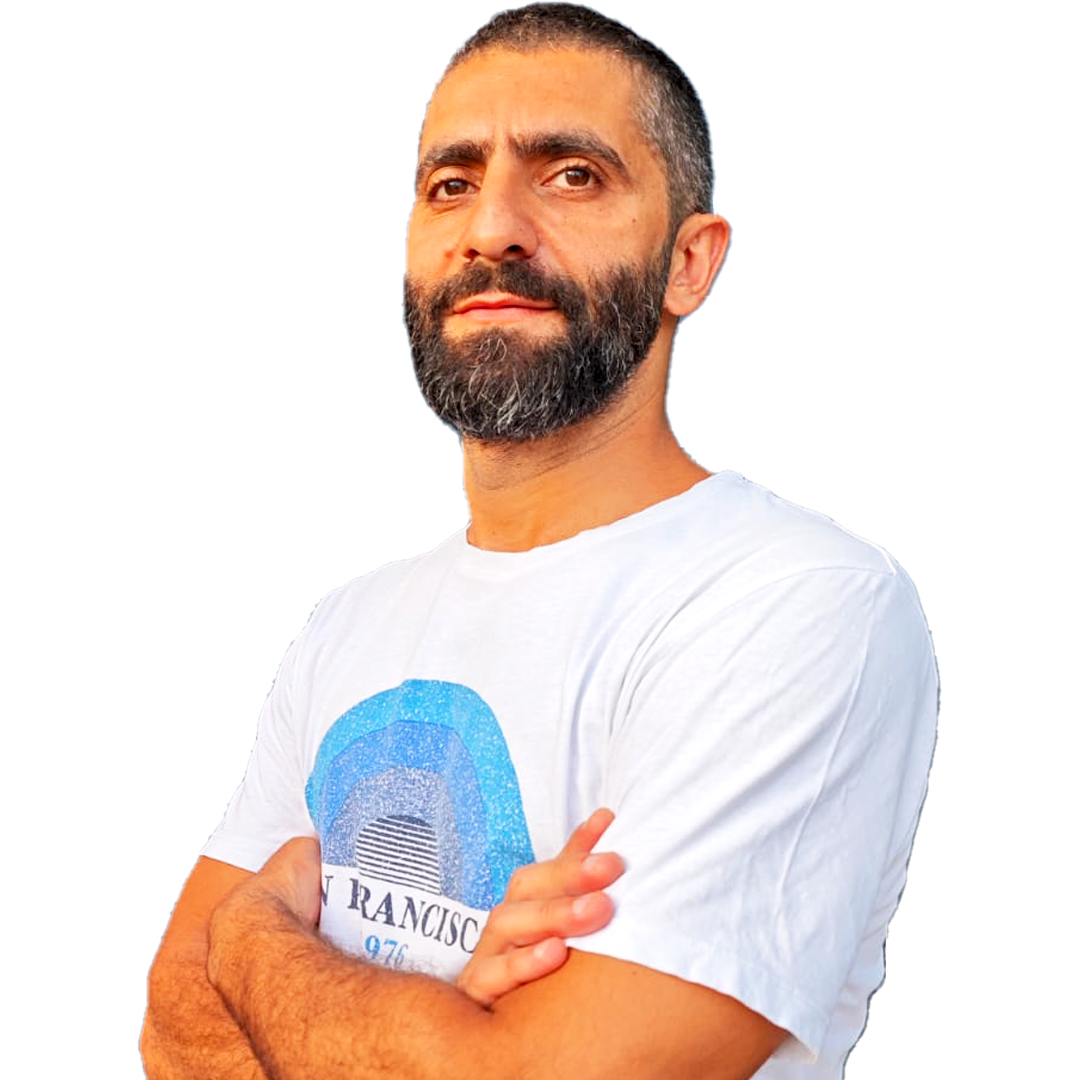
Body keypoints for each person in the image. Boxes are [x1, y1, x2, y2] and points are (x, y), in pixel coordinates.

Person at [140, 3, 939, 1078]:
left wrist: (249, 941)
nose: (492, 229)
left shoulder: (796, 603)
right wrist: (450, 1019)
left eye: (571, 175)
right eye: (450, 183)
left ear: (690, 262)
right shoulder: (348, 625)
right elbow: (174, 1033)